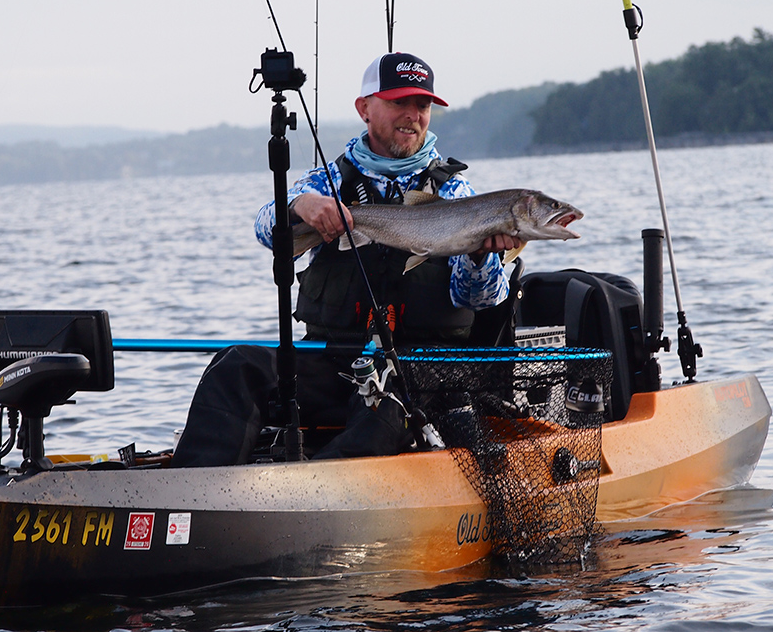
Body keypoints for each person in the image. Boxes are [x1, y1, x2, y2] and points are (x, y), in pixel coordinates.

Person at [172, 53, 521, 468]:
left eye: (422, 106)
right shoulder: (328, 181)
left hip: (417, 373)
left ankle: (304, 497)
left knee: (385, 407)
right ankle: (190, 493)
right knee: (237, 365)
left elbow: (481, 300)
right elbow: (266, 230)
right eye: (398, 103)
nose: (412, 116)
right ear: (364, 109)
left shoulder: (458, 192)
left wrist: (482, 258)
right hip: (333, 362)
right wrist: (300, 204)